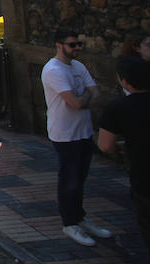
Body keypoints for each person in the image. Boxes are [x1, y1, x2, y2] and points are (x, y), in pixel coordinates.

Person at [41, 29, 110, 246]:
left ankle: (80, 217)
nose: (77, 48)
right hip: (65, 134)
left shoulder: (78, 66)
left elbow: (95, 94)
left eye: (79, 44)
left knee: (80, 178)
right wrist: (85, 97)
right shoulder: (53, 70)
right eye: (73, 44)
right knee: (69, 180)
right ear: (59, 45)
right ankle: (70, 223)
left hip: (84, 130)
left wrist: (84, 98)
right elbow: (76, 103)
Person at [98, 56, 150, 251]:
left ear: (125, 81)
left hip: (144, 177)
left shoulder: (118, 107)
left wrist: (121, 147)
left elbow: (104, 145)